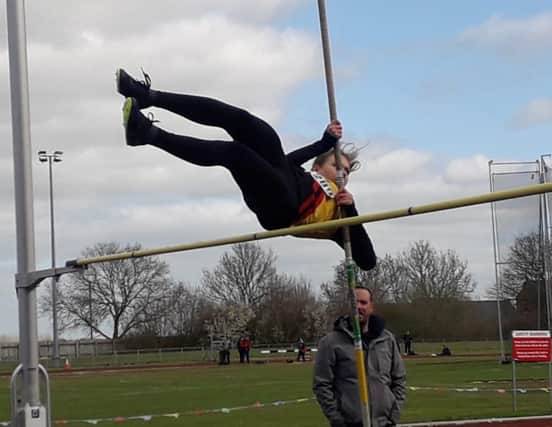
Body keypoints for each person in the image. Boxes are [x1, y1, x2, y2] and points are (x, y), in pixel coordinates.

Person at [115, 69, 376, 271]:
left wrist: (351, 209)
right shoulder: (306, 175)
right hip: (280, 182)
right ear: (318, 166)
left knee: (236, 153)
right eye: (336, 166)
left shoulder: (340, 213)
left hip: (285, 210)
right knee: (249, 125)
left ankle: (148, 134)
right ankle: (148, 97)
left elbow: (367, 261)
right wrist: (323, 143)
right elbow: (287, 161)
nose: (342, 174)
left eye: (347, 172)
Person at [313, 286, 406, 427]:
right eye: (354, 303)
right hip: (349, 423)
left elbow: (399, 379)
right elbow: (321, 384)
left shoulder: (387, 339)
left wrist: (393, 416)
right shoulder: (330, 342)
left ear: (371, 306)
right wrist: (337, 419)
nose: (358, 306)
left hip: (384, 423)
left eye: (363, 302)